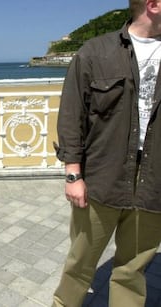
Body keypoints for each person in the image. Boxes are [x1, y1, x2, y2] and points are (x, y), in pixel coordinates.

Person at [52, 0, 161, 306]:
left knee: (132, 271)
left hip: (154, 186)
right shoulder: (95, 52)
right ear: (153, 4)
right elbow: (71, 115)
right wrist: (73, 174)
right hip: (102, 181)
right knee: (79, 264)